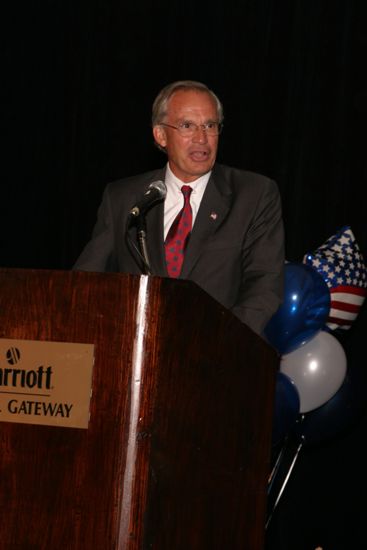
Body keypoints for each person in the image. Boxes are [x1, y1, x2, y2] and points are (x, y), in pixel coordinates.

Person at [74, 80, 284, 337]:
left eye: (210, 125)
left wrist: (217, 344)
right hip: (135, 356)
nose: (201, 138)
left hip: (219, 359)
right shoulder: (123, 199)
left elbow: (263, 288)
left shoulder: (254, 195)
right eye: (187, 126)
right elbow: (86, 284)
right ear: (160, 135)